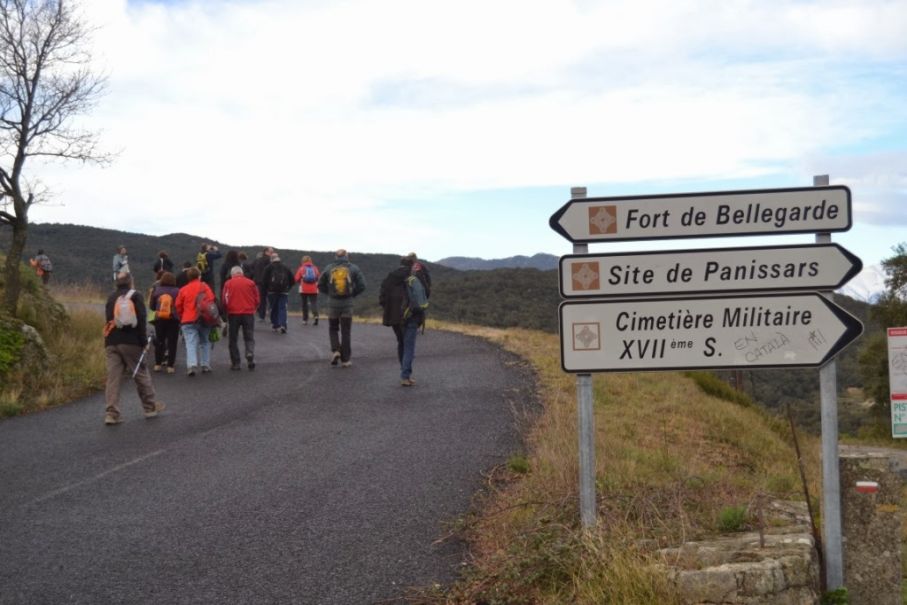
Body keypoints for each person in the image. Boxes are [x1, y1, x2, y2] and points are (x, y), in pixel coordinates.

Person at [102, 273, 165, 424]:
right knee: (141, 373)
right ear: (130, 282)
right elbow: (142, 320)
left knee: (113, 378)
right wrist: (144, 343)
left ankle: (112, 413)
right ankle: (150, 407)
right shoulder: (136, 296)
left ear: (117, 283)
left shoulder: (111, 297)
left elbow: (108, 320)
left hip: (111, 342)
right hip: (131, 342)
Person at [317, 249, 366, 367]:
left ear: (335, 257)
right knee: (346, 332)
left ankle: (336, 350)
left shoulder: (329, 268)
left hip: (332, 305)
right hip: (347, 305)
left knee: (333, 328)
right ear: (347, 256)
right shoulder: (353, 268)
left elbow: (320, 284)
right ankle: (345, 360)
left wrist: (329, 293)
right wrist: (352, 294)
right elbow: (362, 285)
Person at [380, 256, 424, 386]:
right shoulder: (413, 279)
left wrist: (390, 309)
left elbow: (381, 299)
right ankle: (405, 375)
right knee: (409, 346)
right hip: (410, 317)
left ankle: (405, 372)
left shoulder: (389, 279)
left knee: (401, 343)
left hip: (393, 317)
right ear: (411, 265)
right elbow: (422, 299)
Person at [174, 267, 216, 376]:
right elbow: (211, 299)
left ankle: (192, 365)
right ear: (199, 276)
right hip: (204, 318)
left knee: (190, 343)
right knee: (205, 341)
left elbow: (178, 306)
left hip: (188, 319)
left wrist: (182, 316)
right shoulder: (204, 286)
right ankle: (205, 365)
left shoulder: (183, 289)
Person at [222, 265, 259, 371]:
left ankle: (236, 363)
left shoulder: (228, 283)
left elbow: (225, 300)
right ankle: (249, 353)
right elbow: (257, 298)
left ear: (232, 274)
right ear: (241, 273)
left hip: (233, 314)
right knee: (249, 336)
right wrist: (254, 307)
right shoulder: (251, 283)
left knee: (233, 339)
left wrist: (226, 311)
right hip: (248, 313)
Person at [149, 271, 181, 374]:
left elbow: (151, 306)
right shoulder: (177, 291)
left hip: (159, 319)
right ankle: (170, 366)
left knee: (160, 341)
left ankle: (157, 364)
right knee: (172, 342)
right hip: (173, 319)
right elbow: (180, 305)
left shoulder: (157, 290)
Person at [262, 253, 294, 334]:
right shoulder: (285, 267)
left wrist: (266, 290)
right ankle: (283, 325)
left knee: (273, 308)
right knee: (282, 308)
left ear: (271, 259)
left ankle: (275, 325)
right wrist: (288, 288)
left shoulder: (268, 267)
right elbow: (292, 280)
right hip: (284, 291)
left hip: (272, 291)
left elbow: (264, 280)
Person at [294, 255, 320, 326]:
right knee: (313, 303)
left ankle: (305, 319)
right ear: (310, 260)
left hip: (303, 289)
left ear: (303, 261)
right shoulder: (315, 268)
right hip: (314, 289)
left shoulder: (301, 268)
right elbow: (318, 277)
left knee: (304, 304)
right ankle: (316, 316)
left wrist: (300, 282)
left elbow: (296, 278)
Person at [252, 247, 273, 320]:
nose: (272, 253)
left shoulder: (257, 260)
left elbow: (252, 270)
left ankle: (261, 315)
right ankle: (272, 316)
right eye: (271, 252)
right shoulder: (269, 260)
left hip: (258, 282)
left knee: (262, 299)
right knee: (271, 299)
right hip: (267, 283)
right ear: (266, 252)